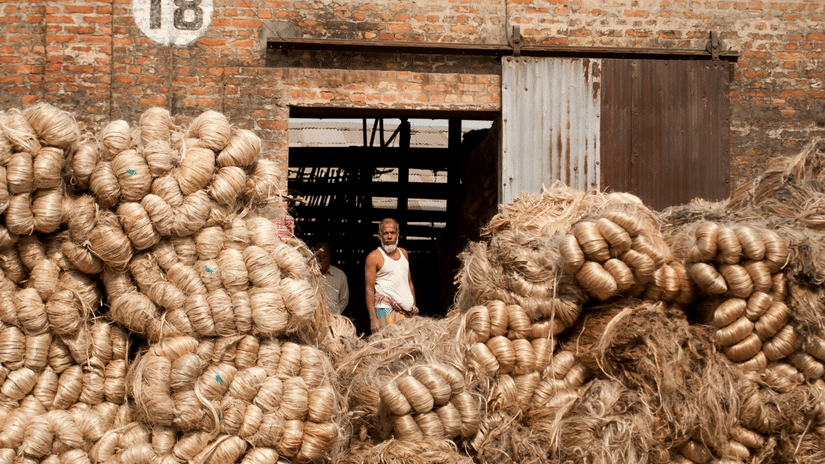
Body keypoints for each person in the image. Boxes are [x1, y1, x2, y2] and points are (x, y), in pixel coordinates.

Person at [365, 218, 418, 333]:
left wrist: (414, 307)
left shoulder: (404, 253)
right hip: (384, 310)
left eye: (392, 233)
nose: (389, 237)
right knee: (388, 346)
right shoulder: (373, 257)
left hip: (406, 311)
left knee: (406, 347)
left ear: (398, 234)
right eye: (385, 233)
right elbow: (369, 289)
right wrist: (373, 319)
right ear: (379, 235)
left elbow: (409, 283)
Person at [313, 241, 349, 316]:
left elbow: (344, 301)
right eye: (318, 256)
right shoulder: (307, 275)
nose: (321, 260)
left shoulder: (340, 275)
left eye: (325, 256)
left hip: (333, 322)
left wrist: (334, 316)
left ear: (329, 256)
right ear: (313, 256)